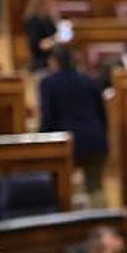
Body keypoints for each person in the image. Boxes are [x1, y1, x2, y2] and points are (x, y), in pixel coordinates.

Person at [39, 45, 109, 207]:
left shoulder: (48, 83)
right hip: (94, 139)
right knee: (95, 187)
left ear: (54, 62)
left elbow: (48, 116)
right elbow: (102, 114)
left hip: (66, 143)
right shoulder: (89, 80)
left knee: (61, 187)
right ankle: (102, 221)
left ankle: (71, 225)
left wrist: (42, 140)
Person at [24, 0, 67, 74]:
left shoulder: (49, 20)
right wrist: (56, 39)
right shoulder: (33, 21)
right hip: (42, 64)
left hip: (56, 63)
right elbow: (40, 45)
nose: (53, 4)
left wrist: (56, 20)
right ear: (41, 2)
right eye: (50, 1)